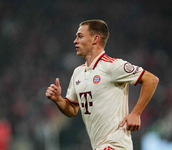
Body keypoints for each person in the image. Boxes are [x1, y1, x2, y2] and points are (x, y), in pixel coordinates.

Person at [45, 19, 159, 150]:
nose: (75, 41)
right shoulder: (78, 73)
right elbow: (72, 110)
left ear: (95, 39)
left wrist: (136, 113)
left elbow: (151, 80)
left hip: (116, 145)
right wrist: (58, 99)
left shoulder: (112, 66)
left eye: (80, 36)